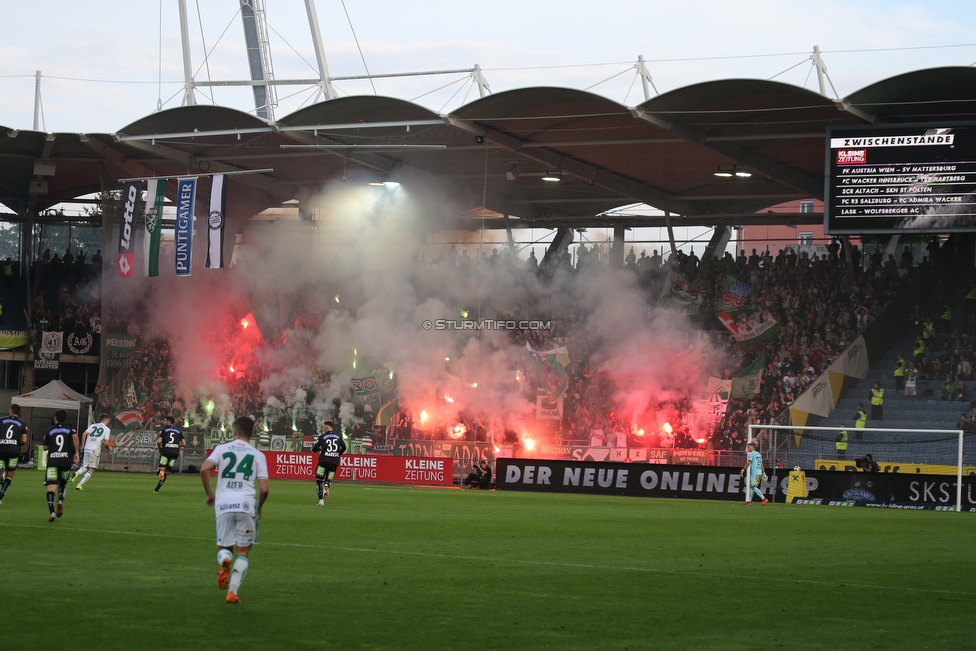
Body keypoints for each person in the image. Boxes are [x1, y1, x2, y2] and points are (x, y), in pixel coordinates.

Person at [199, 416, 269, 604]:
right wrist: (259, 507)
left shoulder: (221, 449)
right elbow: (264, 489)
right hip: (246, 505)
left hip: (223, 505)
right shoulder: (258, 455)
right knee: (244, 551)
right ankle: (232, 592)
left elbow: (204, 469)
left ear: (234, 432)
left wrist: (209, 494)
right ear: (252, 434)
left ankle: (224, 559)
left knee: (224, 547)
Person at [42, 410, 79, 522]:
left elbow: (45, 448)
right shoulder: (69, 429)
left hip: (53, 461)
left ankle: (52, 512)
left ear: (55, 418)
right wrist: (76, 452)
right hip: (65, 461)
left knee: (51, 488)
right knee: (62, 483)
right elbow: (75, 437)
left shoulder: (50, 429)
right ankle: (61, 500)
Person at [72, 413, 114, 490]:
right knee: (92, 469)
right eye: (108, 420)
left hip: (87, 448)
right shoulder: (107, 429)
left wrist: (83, 445)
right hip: (95, 450)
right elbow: (106, 443)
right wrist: (110, 449)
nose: (108, 422)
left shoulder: (92, 426)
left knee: (85, 466)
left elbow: (84, 434)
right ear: (106, 420)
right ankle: (79, 485)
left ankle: (76, 473)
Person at [0, 404, 28, 504]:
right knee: (10, 475)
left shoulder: (1, 420)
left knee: (1, 465)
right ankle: (0, 497)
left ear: (10, 411)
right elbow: (24, 440)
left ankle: (1, 472)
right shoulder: (22, 423)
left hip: (1, 449)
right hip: (14, 450)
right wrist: (16, 443)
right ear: (18, 412)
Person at [311, 423, 345, 505]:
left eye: (323, 427)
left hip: (323, 461)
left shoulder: (322, 437)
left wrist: (319, 448)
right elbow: (344, 448)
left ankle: (321, 501)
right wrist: (337, 454)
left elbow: (314, 449)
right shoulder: (339, 437)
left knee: (319, 480)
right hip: (334, 462)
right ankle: (327, 483)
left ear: (326, 428)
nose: (323, 429)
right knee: (329, 478)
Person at [154, 416, 185, 493]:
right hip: (175, 453)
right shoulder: (179, 431)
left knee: (160, 470)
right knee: (166, 470)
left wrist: (160, 448)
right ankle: (158, 487)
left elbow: (159, 441)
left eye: (166, 421)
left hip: (166, 452)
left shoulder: (164, 430)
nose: (165, 422)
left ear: (168, 422)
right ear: (174, 423)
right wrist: (177, 445)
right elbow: (184, 444)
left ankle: (160, 481)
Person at [739, 441, 767, 505]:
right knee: (753, 486)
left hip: (755, 473)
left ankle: (764, 499)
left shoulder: (751, 454)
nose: (748, 448)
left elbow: (749, 462)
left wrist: (743, 470)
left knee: (753, 486)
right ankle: (749, 501)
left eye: (749, 447)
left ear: (752, 447)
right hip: (759, 473)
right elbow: (761, 464)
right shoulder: (758, 454)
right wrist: (764, 473)